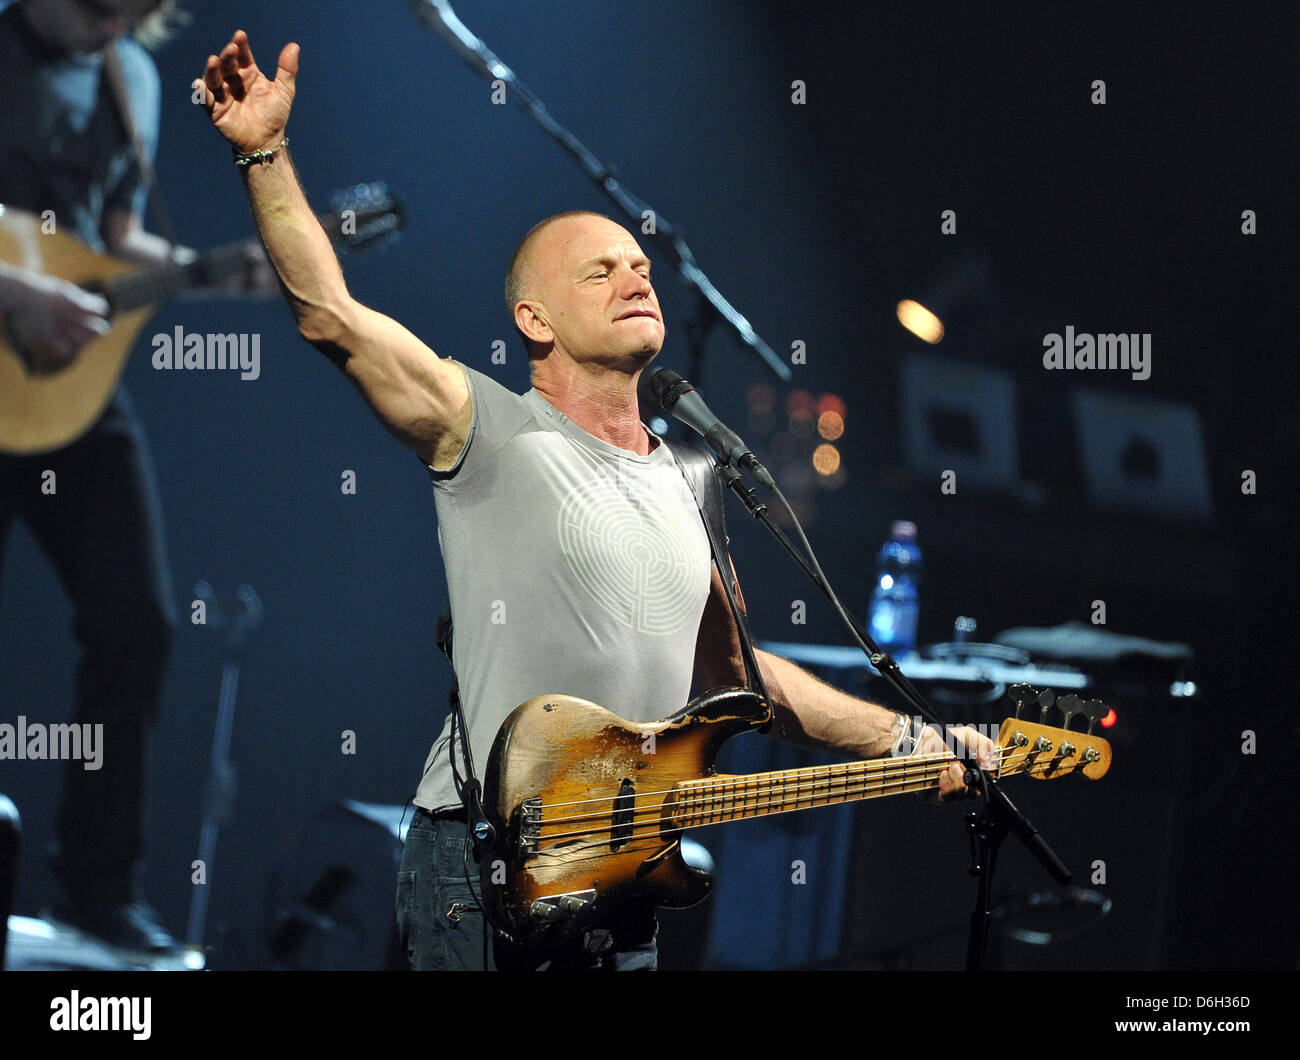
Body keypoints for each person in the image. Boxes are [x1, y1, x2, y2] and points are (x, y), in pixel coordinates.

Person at [194, 29, 996, 971]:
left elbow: (743, 684)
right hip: (484, 874)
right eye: (599, 270)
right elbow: (331, 314)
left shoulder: (692, 477)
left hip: (625, 891)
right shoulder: (485, 424)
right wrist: (263, 151)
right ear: (532, 320)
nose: (637, 276)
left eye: (641, 265)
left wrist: (912, 738)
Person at [0, 0, 269, 961]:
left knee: (137, 623)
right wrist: (21, 292)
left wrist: (213, 272)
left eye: (130, 14)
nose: (108, 30)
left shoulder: (132, 80)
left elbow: (112, 239)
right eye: (95, 8)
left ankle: (96, 890)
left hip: (69, 390)